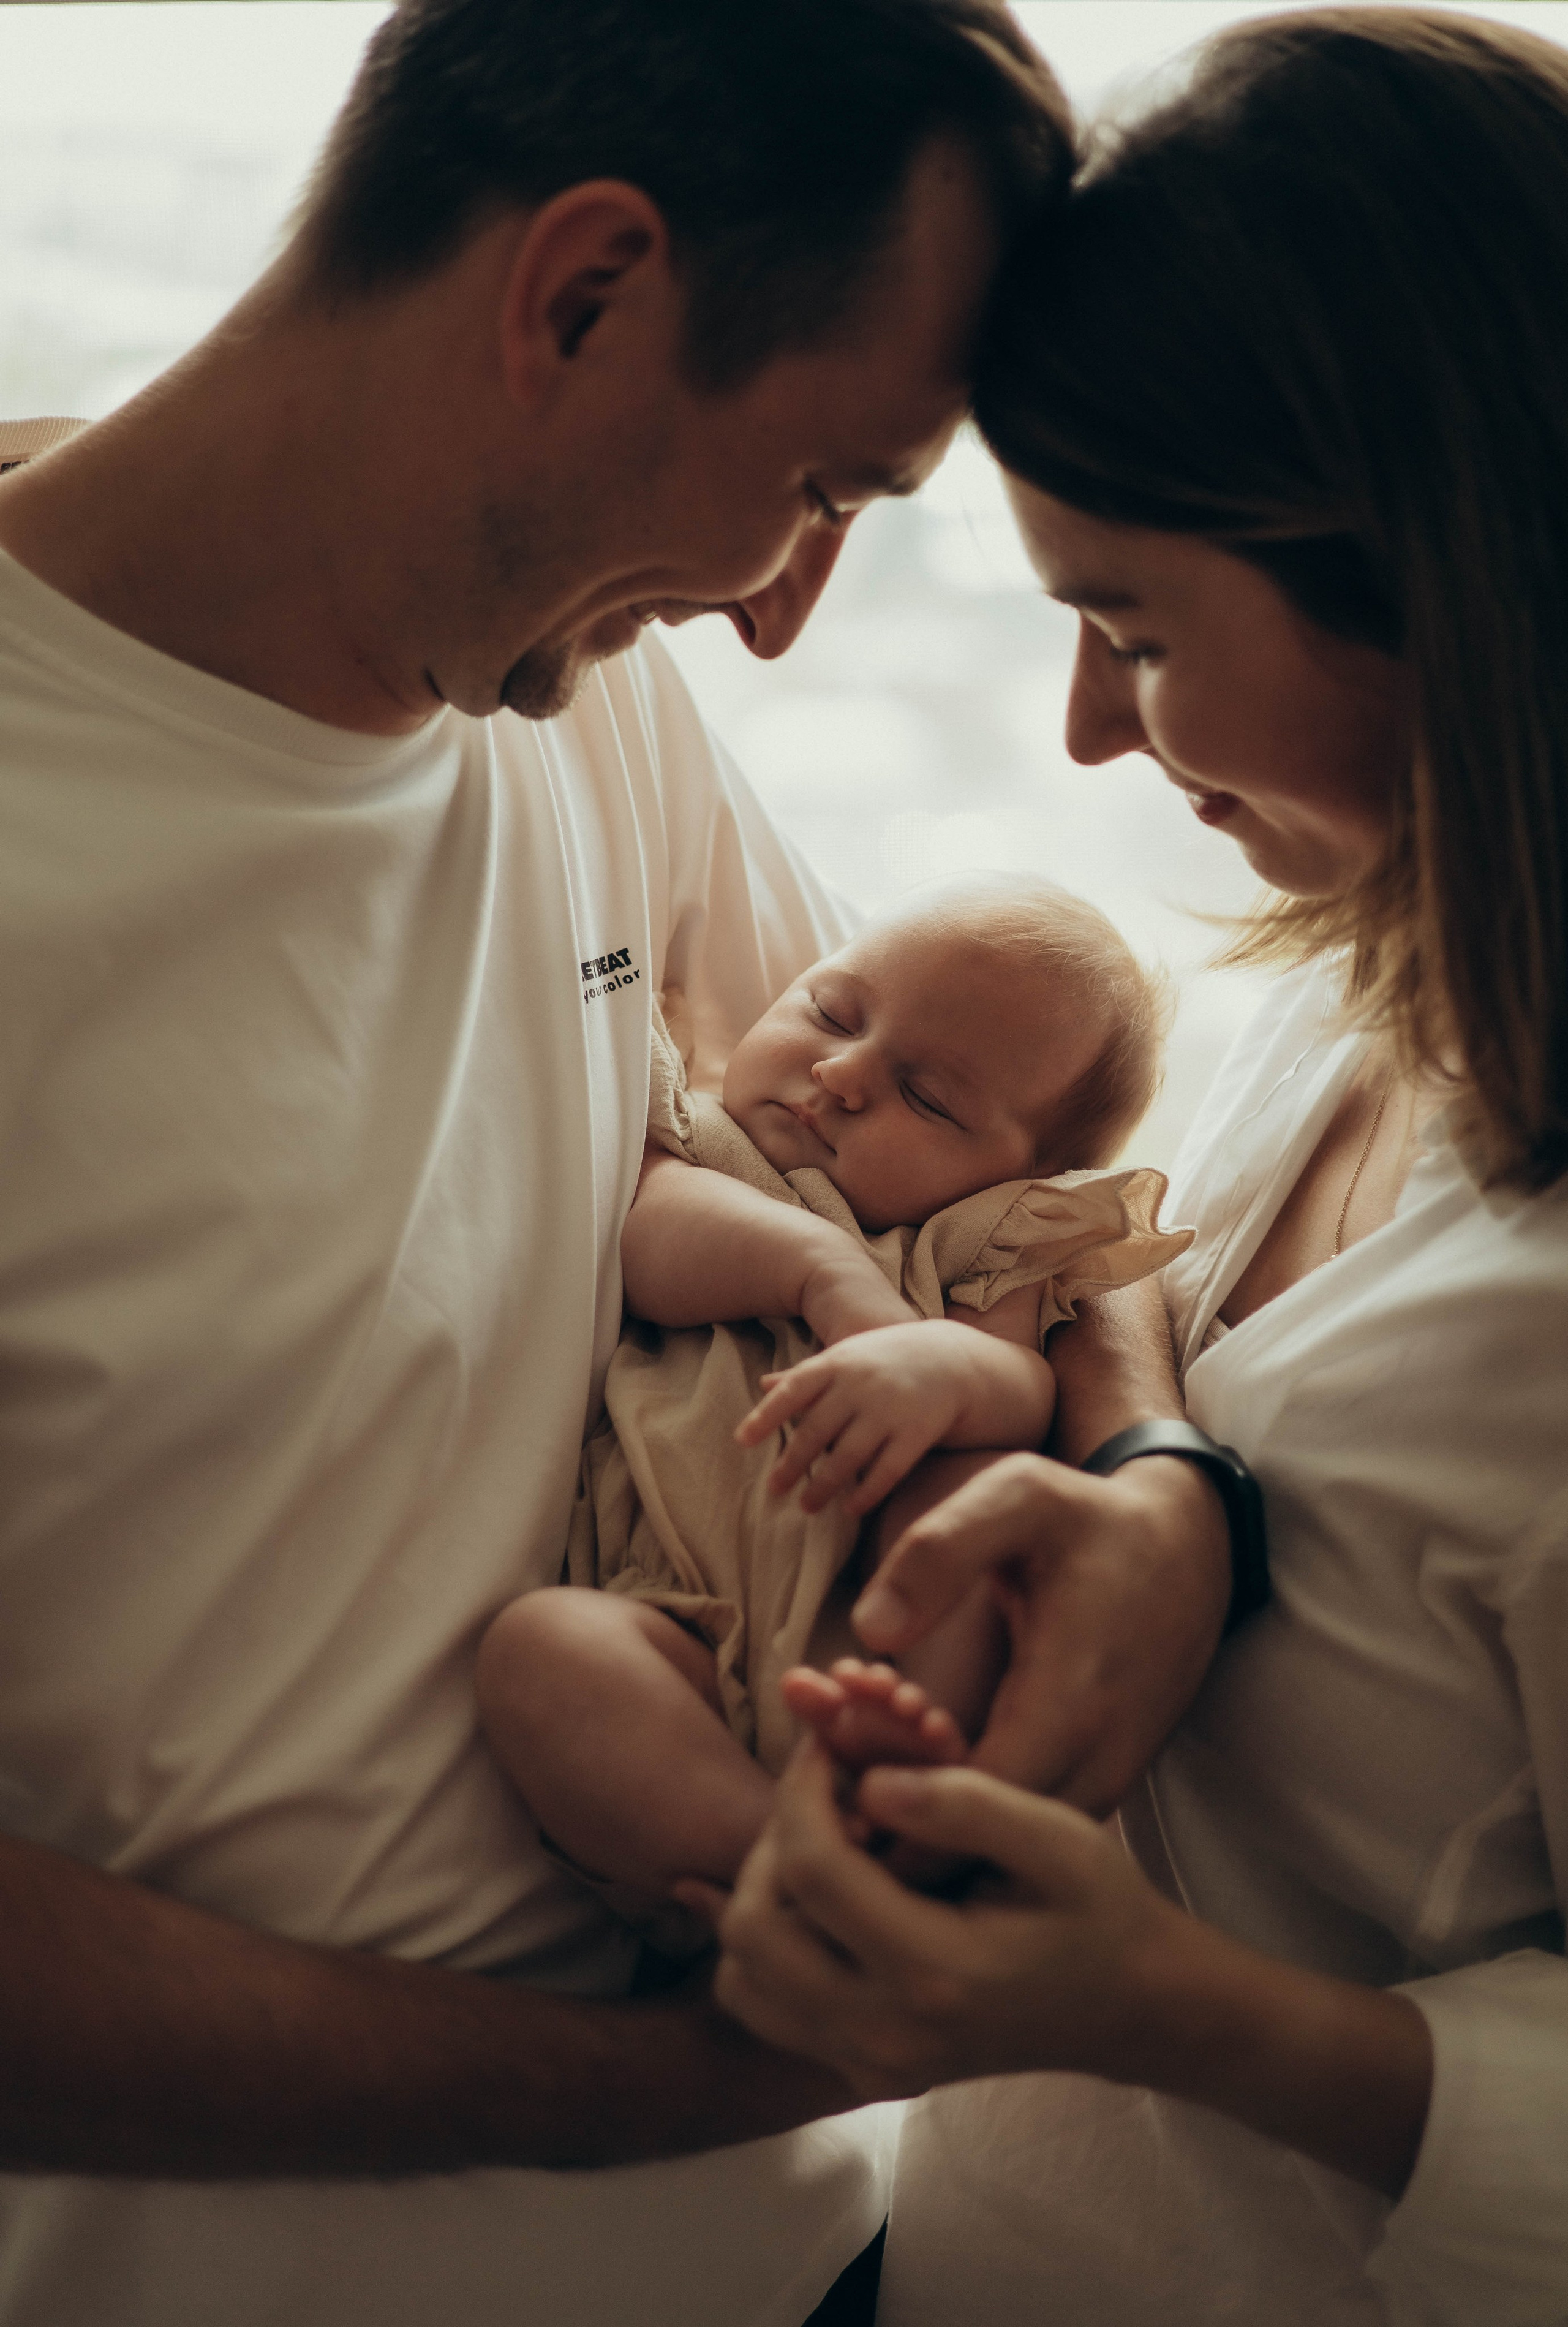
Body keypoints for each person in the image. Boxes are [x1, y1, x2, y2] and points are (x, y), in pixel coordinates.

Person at [0, 6, 1134, 2324]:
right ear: (584, 295)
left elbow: (991, 1201)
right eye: (824, 488)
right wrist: (670, 2077)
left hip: (809, 2259)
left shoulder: (577, 683)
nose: (785, 610)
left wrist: (1164, 1483)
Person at [710, 10, 1568, 2323]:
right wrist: (1168, 1478)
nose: (1091, 726)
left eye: (1131, 625)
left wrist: (1153, 2002)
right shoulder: (1354, 984)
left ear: (1433, 570)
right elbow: (1158, 1292)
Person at [478, 877, 1185, 1919]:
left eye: (931, 1097)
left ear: (1027, 1170)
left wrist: (944, 1368)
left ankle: (907, 1789)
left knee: (985, 1490)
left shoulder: (981, 1243)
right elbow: (646, 1243)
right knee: (539, 1653)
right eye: (832, 1011)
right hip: (659, 1616)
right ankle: (795, 1868)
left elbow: (1024, 1385)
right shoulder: (703, 1140)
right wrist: (820, 1271)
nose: (841, 1073)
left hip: (861, 1637)